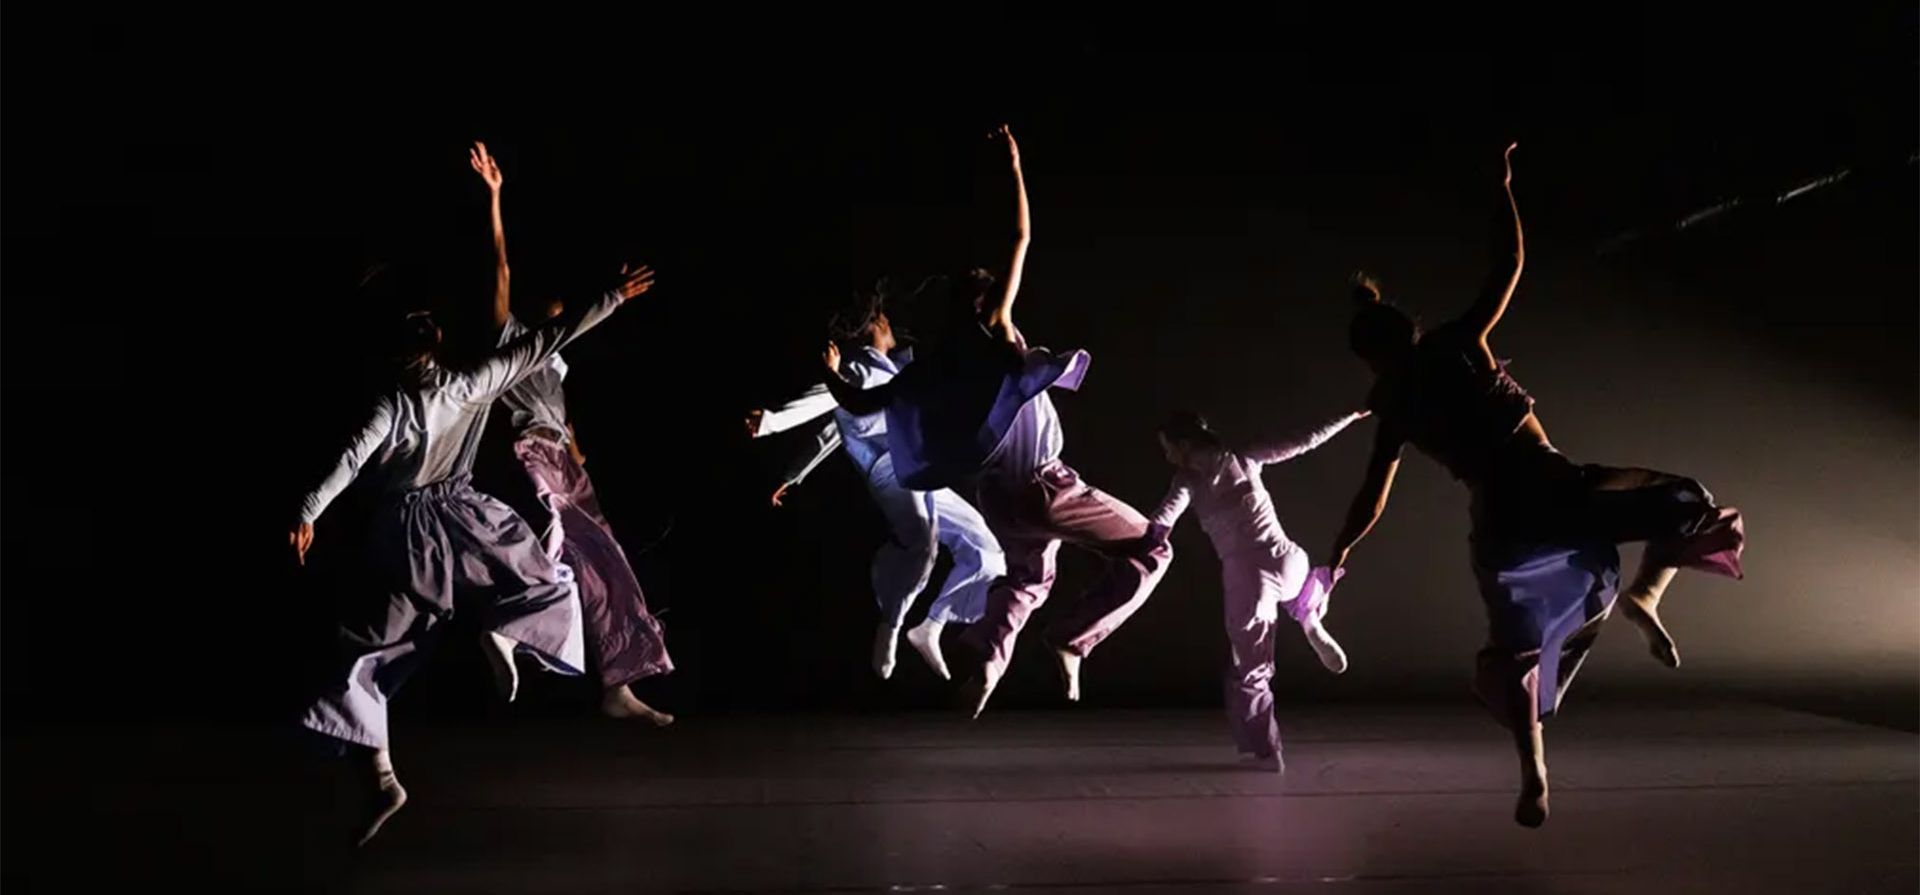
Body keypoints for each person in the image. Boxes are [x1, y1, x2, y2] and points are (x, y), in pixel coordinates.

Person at [1325, 144, 1745, 827]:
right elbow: (1510, 264)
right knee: (1686, 498)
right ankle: (1644, 594)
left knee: (1517, 655)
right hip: (1553, 486)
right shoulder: (1456, 344)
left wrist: (1342, 548)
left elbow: (1374, 495)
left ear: (1371, 359)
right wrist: (1502, 187)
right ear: (1407, 330)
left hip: (1502, 524)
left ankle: (1535, 774)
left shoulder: (1393, 404)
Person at [291, 258, 656, 845]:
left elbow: (350, 460)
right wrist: (611, 297)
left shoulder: (391, 404)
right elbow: (551, 336)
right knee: (547, 579)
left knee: (372, 654)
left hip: (408, 537)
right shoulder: (472, 382)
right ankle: (505, 635)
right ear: (434, 340)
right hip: (466, 520)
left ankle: (381, 777)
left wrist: (308, 513)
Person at [821, 126, 1172, 717]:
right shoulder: (998, 333)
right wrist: (1013, 165)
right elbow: (1020, 237)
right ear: (986, 304)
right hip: (1046, 485)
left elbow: (858, 405)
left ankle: (987, 663)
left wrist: (829, 372)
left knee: (1027, 582)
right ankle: (1072, 640)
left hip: (999, 501)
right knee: (1153, 548)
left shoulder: (930, 365)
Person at [468, 142, 674, 724]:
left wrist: (579, 457)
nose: (563, 318)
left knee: (605, 558)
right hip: (527, 449)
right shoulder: (510, 341)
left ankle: (619, 683)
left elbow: (567, 419)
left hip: (561, 455)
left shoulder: (557, 364)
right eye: (555, 314)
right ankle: (512, 626)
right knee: (553, 536)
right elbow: (500, 268)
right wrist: (494, 197)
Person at [747, 286, 1003, 679]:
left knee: (983, 543)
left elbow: (831, 434)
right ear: (874, 325)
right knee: (923, 544)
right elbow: (824, 404)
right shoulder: (856, 369)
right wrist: (772, 421)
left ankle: (931, 625)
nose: (891, 324)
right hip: (890, 470)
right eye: (884, 318)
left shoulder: (894, 370)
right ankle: (892, 626)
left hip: (920, 468)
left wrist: (793, 474)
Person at [1149, 409, 1366, 770]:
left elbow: (1162, 520)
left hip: (1250, 579)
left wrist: (1131, 546)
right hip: (1289, 560)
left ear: (1184, 445)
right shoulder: (1244, 456)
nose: (1168, 456)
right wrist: (1348, 416)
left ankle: (1267, 753)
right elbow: (1305, 439)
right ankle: (1309, 617)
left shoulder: (1187, 479)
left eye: (1168, 448)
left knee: (1250, 669)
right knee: (1297, 590)